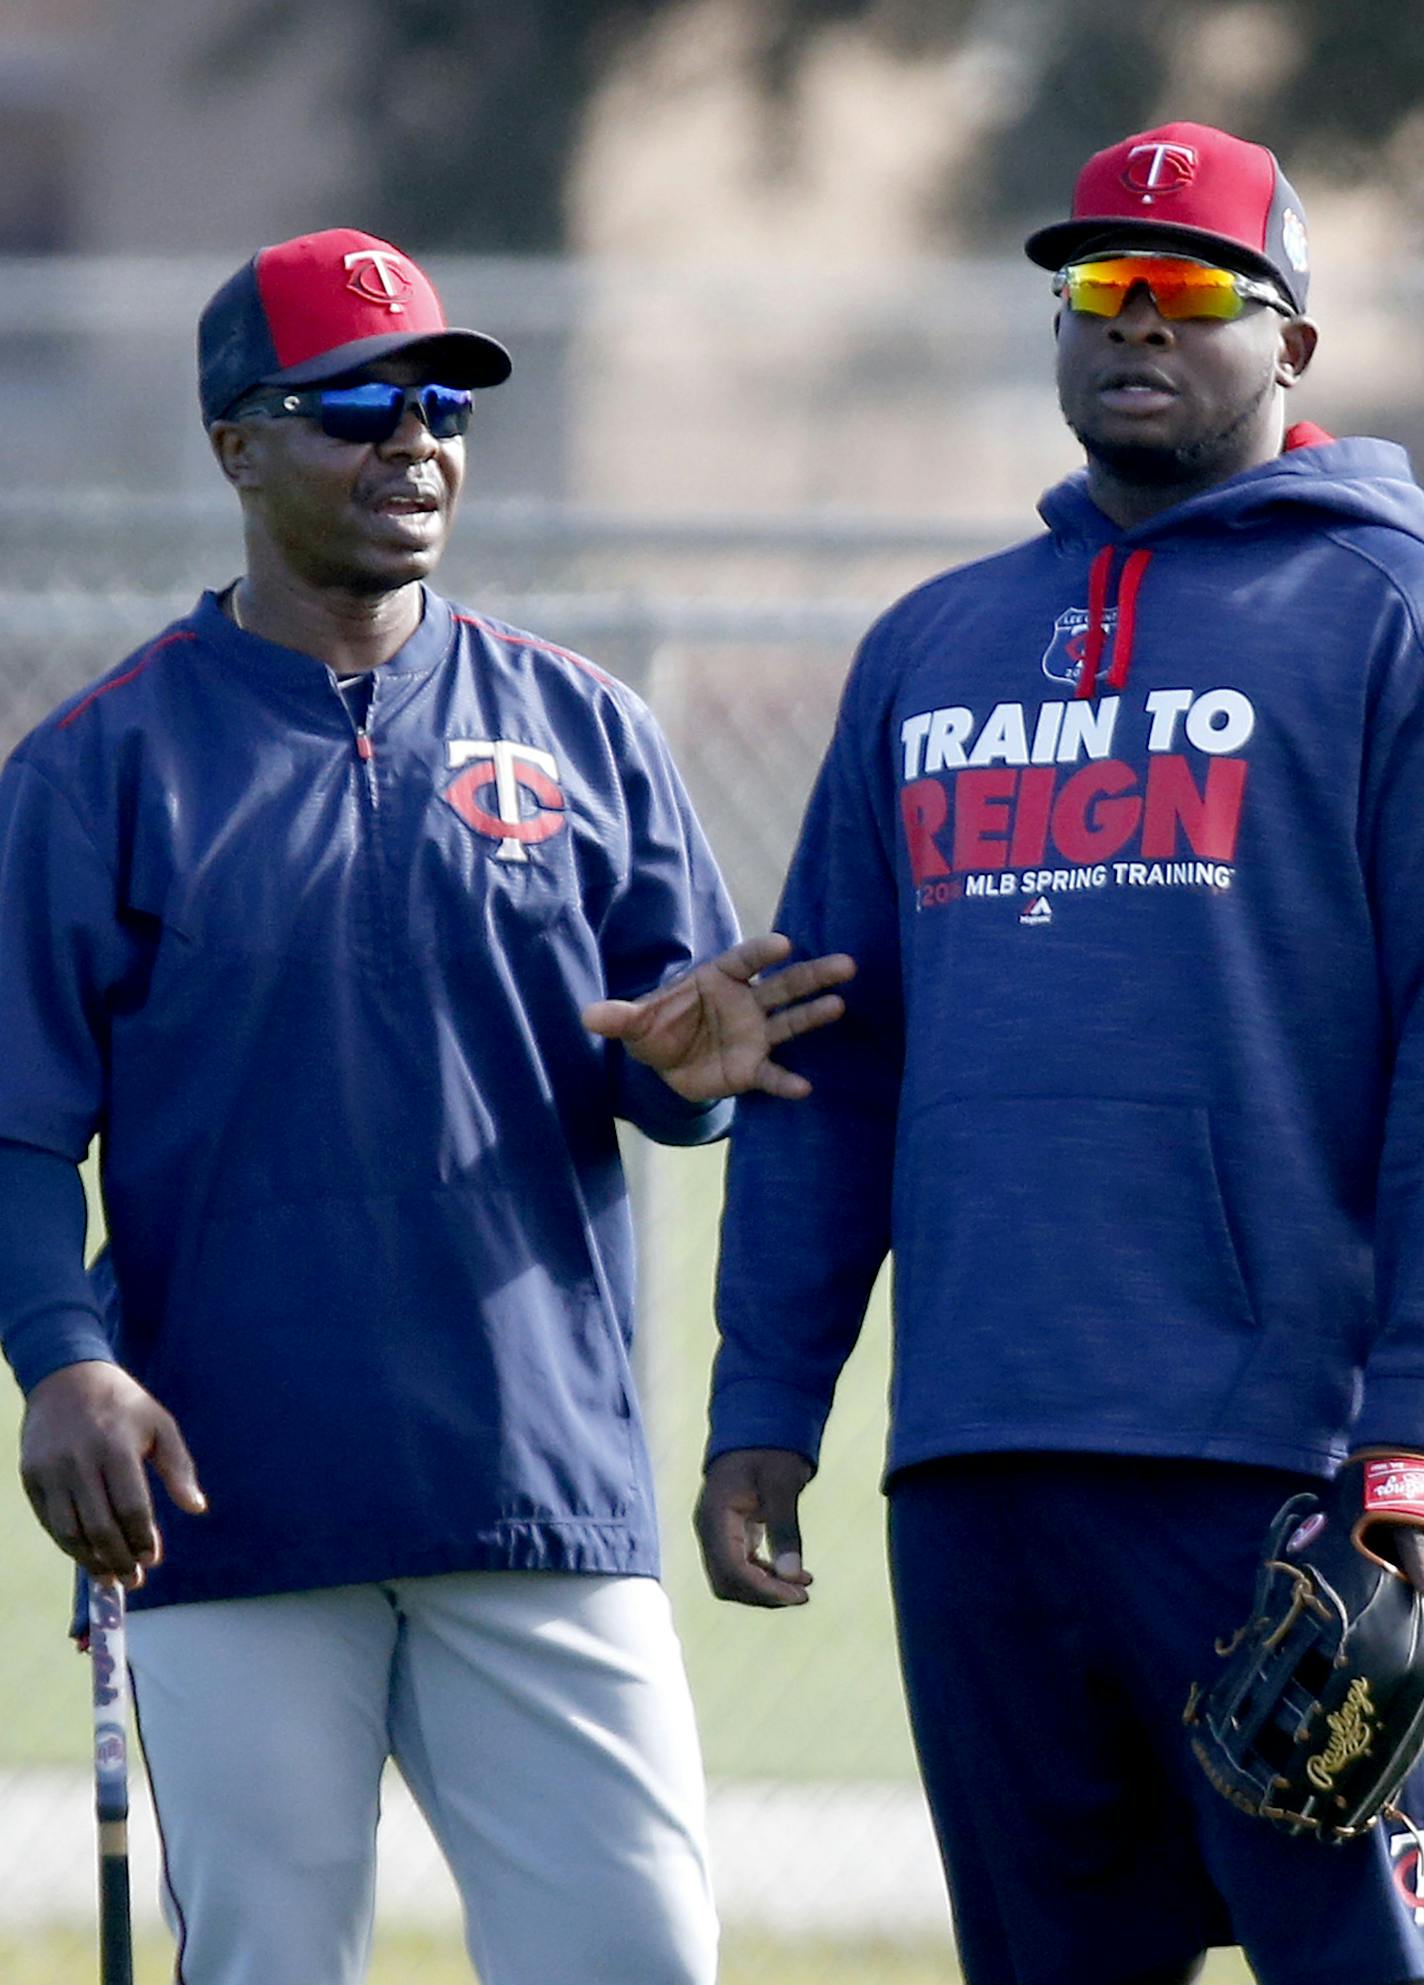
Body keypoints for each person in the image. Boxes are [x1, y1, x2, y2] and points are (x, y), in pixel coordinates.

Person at [0, 226, 853, 1985]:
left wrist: (674, 1087)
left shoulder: (587, 728)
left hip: (536, 1489)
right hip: (228, 1505)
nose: (416, 443)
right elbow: (16, 1122)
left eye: (444, 404)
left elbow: (682, 1079)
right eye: (356, 407)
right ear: (238, 444)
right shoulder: (97, 764)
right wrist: (61, 1355)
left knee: (638, 1958)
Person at [696, 121, 1424, 1985]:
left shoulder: (1387, 618)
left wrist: (1413, 1439)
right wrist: (770, 1396)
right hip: (980, 1456)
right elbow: (819, 1055)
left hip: (1286, 1465)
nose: (1137, 323)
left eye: (1188, 291)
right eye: (1101, 287)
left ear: (1296, 347)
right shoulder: (932, 650)